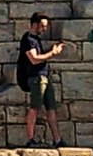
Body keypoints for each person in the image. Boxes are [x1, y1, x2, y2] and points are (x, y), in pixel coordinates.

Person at [15, 11, 65, 146]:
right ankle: (30, 139)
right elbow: (34, 59)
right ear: (35, 24)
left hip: (44, 76)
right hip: (36, 77)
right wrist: (52, 53)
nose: (44, 29)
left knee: (51, 108)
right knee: (35, 107)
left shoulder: (36, 39)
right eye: (42, 26)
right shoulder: (28, 40)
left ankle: (57, 139)